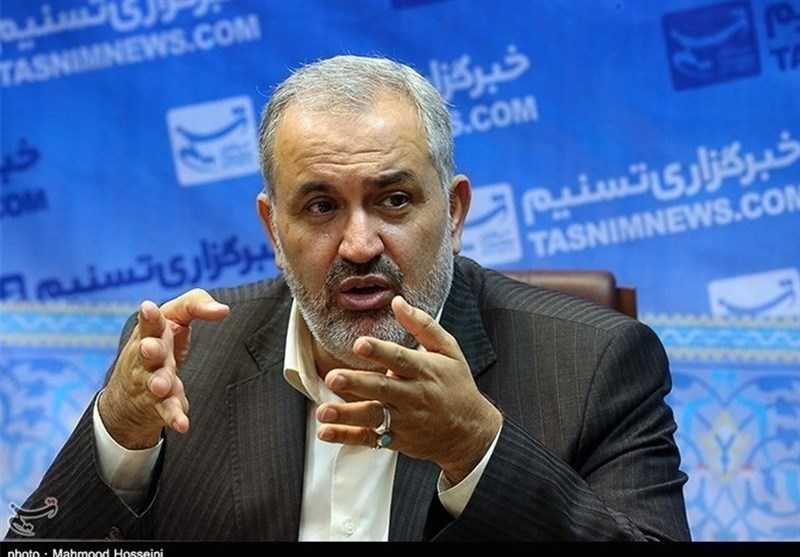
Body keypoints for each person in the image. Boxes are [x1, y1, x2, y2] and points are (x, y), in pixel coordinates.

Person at [6, 54, 691, 542]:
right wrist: (119, 438)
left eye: (394, 200)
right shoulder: (185, 361)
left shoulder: (596, 364)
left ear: (453, 214)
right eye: (321, 206)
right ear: (274, 230)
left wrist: (477, 447)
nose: (360, 244)